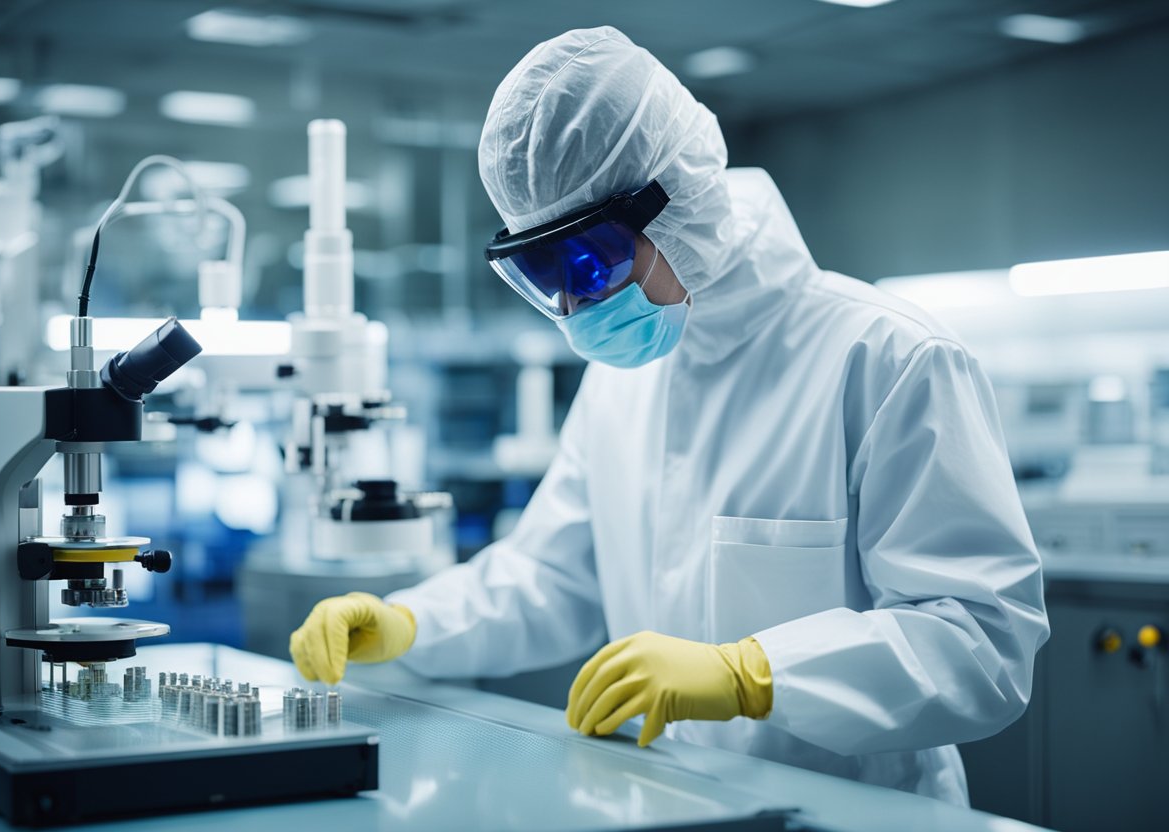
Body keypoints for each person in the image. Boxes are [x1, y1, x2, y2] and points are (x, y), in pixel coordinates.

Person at [290, 26, 1049, 805]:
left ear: (674, 204)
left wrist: (751, 673)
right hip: (675, 802)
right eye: (546, 273)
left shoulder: (887, 358)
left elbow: (981, 643)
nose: (575, 305)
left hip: (861, 815)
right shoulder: (628, 379)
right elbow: (549, 575)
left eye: (589, 262)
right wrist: (410, 623)